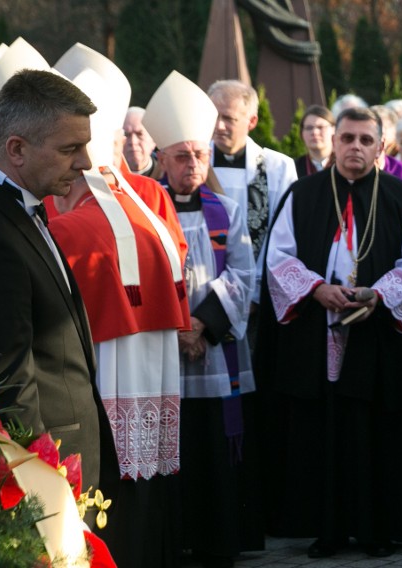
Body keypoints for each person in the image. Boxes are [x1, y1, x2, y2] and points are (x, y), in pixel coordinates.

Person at [265, 107, 402, 558]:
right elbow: (278, 260)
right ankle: (329, 531)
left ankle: (378, 530)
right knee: (325, 431)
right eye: (347, 138)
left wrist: (377, 296)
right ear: (334, 142)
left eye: (365, 140)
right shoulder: (303, 194)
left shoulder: (400, 196)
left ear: (381, 147)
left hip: (375, 336)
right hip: (319, 336)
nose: (355, 147)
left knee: (376, 430)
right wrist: (316, 289)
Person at [50, 60, 189, 567]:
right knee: (148, 479)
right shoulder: (151, 199)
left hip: (97, 360)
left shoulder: (60, 219)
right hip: (154, 360)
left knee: (106, 477)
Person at [144, 70, 258, 568]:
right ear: (162, 159)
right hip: (163, 353)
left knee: (214, 453)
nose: (193, 164)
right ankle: (173, 542)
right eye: (182, 156)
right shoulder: (144, 212)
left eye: (201, 155)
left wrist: (202, 326)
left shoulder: (228, 210)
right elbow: (142, 278)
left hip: (213, 350)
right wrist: (177, 328)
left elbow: (244, 275)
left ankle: (217, 544)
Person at [0, 69, 117, 510]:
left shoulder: (26, 209)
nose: (85, 162)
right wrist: (41, 480)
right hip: (43, 471)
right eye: (70, 149)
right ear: (17, 149)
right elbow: (9, 377)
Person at [207, 80, 298, 333]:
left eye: (228, 118)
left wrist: (254, 292)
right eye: (214, 116)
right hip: (202, 296)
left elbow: (284, 237)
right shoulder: (195, 162)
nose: (218, 126)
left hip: (260, 298)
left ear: (252, 121)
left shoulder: (277, 168)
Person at [294, 104, 334, 178]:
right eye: (309, 128)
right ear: (301, 133)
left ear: (333, 130)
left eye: (320, 127)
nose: (314, 132)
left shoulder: (344, 165)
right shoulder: (294, 168)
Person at [123, 106, 159, 177]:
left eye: (140, 134)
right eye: (126, 134)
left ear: (154, 139)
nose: (133, 142)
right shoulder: (107, 178)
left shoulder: (169, 178)